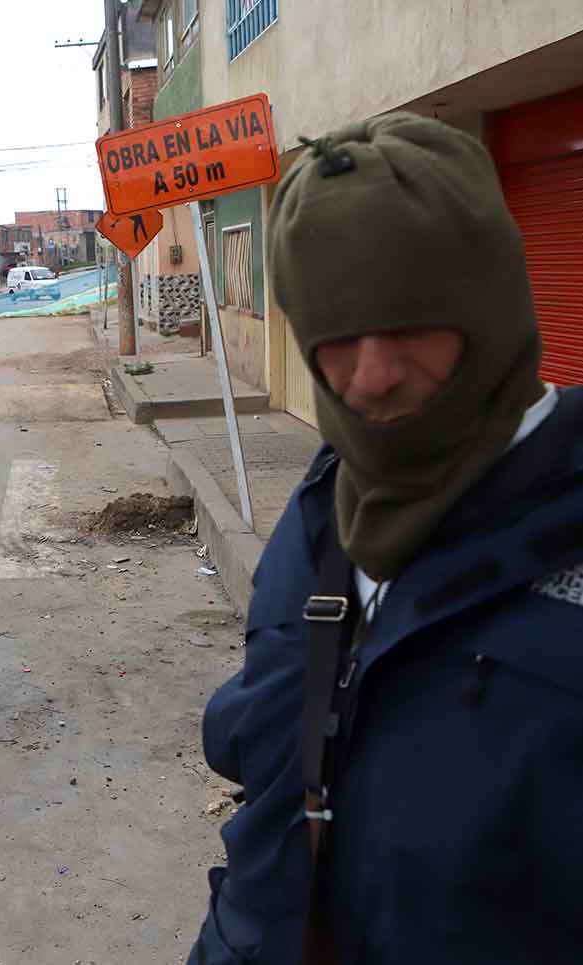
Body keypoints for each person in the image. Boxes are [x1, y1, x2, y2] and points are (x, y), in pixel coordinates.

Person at [189, 112, 583, 964]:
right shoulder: (324, 503)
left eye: (407, 326)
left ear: (489, 303)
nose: (370, 376)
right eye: (335, 338)